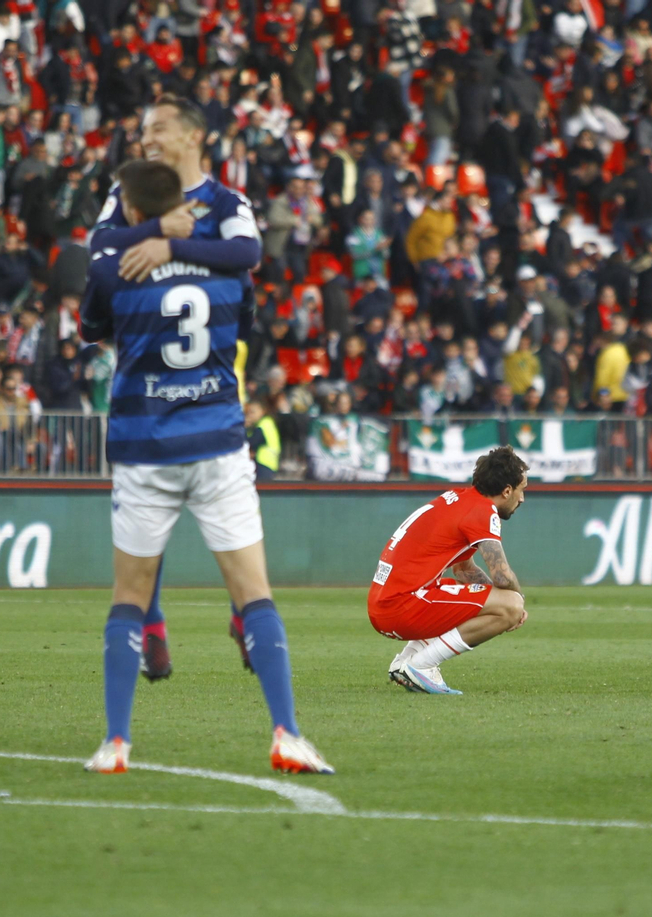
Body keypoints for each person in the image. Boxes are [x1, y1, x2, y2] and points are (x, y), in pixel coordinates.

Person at [78, 156, 332, 776]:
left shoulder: (118, 271)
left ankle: (115, 743)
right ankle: (286, 734)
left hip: (143, 444)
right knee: (253, 593)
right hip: (216, 438)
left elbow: (92, 327)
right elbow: (243, 322)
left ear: (134, 212)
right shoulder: (228, 272)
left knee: (129, 597)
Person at [87, 95, 265, 685]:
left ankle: (245, 614)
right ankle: (153, 624)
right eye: (143, 130)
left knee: (230, 513)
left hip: (210, 371)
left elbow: (248, 253)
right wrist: (156, 229)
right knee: (150, 511)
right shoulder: (123, 196)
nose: (148, 139)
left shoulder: (225, 200)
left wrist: (171, 246)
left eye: (158, 127)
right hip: (149, 367)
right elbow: (97, 256)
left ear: (195, 137)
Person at [368, 446, 529, 695]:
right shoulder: (482, 511)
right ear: (507, 490)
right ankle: (422, 665)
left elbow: (463, 570)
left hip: (386, 603)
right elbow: (502, 575)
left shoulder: (458, 498)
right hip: (402, 606)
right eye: (522, 490)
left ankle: (406, 661)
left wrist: (496, 600)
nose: (522, 499)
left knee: (495, 600)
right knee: (511, 604)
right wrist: (516, 604)